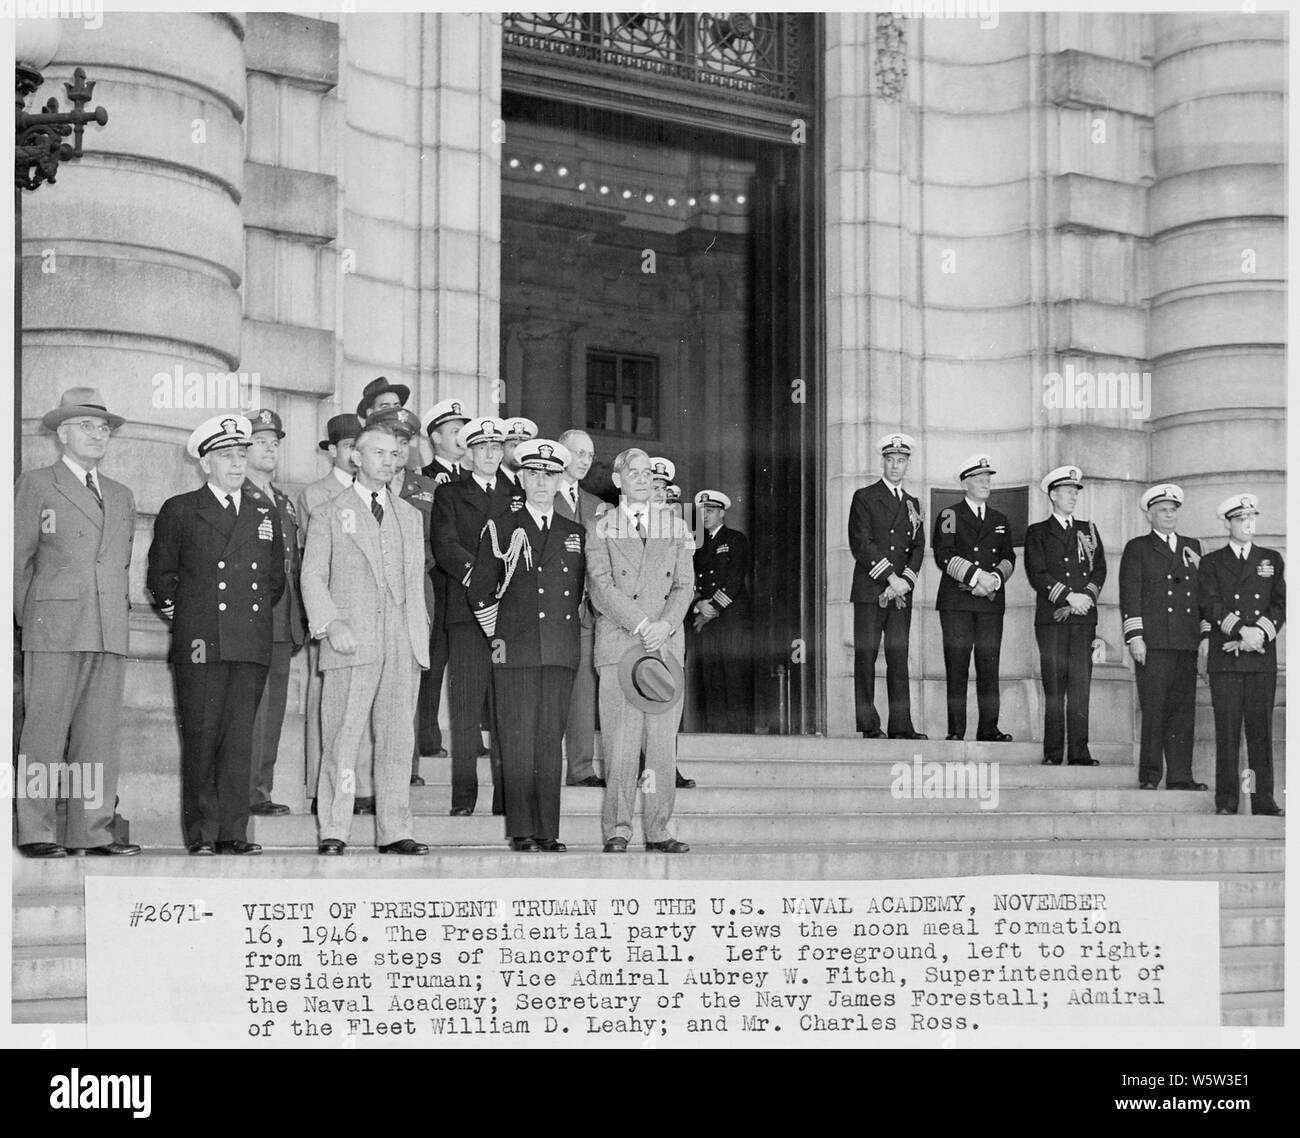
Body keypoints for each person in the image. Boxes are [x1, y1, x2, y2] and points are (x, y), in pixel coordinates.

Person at [146, 415, 286, 855]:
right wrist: (191, 620)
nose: (237, 464)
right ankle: (203, 834)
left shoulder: (264, 510)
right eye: (227, 456)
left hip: (248, 641)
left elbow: (275, 579)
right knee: (203, 738)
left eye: (241, 455)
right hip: (202, 640)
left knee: (239, 741)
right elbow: (161, 578)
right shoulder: (181, 509)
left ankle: (234, 832)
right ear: (206, 463)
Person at [14, 388, 141, 858]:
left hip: (108, 627)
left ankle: (92, 831)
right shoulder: (38, 484)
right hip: (54, 626)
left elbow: (120, 564)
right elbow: (15, 560)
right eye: (86, 425)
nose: (97, 434)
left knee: (99, 737)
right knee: (44, 733)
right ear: (62, 433)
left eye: (103, 427)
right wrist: (33, 617)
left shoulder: (122, 494)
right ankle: (37, 831)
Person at [300, 422, 430, 855]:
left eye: (395, 454)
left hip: (402, 642)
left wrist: (419, 635)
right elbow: (312, 576)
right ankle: (335, 828)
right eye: (380, 453)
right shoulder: (329, 510)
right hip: (351, 640)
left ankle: (395, 830)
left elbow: (414, 583)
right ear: (355, 457)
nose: (390, 462)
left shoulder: (409, 516)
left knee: (397, 740)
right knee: (342, 738)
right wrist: (330, 623)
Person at [469, 439, 585, 851]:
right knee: (517, 740)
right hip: (514, 649)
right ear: (521, 477)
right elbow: (481, 591)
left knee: (549, 743)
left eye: (549, 475)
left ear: (559, 481)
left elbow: (583, 594)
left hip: (558, 650)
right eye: (533, 474)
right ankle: (521, 830)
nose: (540, 482)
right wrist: (497, 637)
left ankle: (547, 830)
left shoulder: (576, 533)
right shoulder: (500, 525)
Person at [586, 448, 695, 853]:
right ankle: (617, 828)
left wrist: (665, 625)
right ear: (617, 480)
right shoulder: (601, 527)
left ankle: (659, 829)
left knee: (662, 746)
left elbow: (685, 585)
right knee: (620, 744)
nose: (643, 478)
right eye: (634, 472)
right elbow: (601, 587)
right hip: (621, 643)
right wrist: (642, 624)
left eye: (649, 472)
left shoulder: (678, 526)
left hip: (664, 646)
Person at [432, 415, 514, 815]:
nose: (489, 454)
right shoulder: (449, 494)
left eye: (496, 448)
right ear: (468, 451)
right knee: (464, 711)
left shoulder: (516, 495)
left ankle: (504, 801)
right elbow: (445, 545)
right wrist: (480, 577)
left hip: (508, 619)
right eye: (482, 448)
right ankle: (464, 799)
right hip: (466, 613)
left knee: (505, 710)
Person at [297, 414, 373, 813]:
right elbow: (314, 564)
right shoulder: (316, 495)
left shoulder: (375, 493)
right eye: (347, 446)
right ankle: (319, 788)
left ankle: (358, 788)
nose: (353, 454)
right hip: (334, 614)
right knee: (326, 704)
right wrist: (327, 618)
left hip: (370, 616)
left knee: (362, 706)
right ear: (332, 451)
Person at [1119, 483, 1208, 791]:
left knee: (1183, 713)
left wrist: (1204, 638)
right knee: (1154, 710)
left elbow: (1203, 596)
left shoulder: (1192, 546)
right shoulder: (1138, 547)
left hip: (1185, 642)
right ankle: (1150, 775)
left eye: (1173, 510)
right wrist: (1135, 637)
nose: (1169, 515)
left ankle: (1181, 776)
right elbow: (1130, 594)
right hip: (1154, 643)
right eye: (1162, 511)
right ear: (1150, 515)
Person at [1199, 493, 1284, 816]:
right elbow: (1210, 603)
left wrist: (1257, 633)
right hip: (1227, 659)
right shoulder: (1211, 563)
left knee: (1261, 732)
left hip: (1260, 658)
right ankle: (1227, 801)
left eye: (1251, 518)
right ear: (1227, 523)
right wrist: (1240, 631)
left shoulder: (1271, 559)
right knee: (1228, 732)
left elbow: (1280, 603)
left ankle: (1264, 800)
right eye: (1240, 519)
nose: (1248, 524)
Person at [367, 405, 438, 786]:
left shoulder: (427, 490)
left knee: (406, 683)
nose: (398, 448)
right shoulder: (358, 489)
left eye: (405, 441)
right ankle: (365, 778)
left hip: (413, 593)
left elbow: (437, 545)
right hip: (368, 597)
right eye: (391, 439)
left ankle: (405, 769)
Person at [244, 409, 307, 815]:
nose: (270, 448)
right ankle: (247, 791)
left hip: (283, 617)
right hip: (253, 617)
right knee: (253, 707)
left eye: (275, 442)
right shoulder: (240, 495)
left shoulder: (282, 499)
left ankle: (261, 789)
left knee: (275, 708)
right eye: (261, 441)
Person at [1023, 465, 1107, 766]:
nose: (1073, 496)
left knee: (1080, 687)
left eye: (1075, 492)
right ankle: (1053, 752)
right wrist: (1068, 596)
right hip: (1053, 619)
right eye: (1068, 491)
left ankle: (1080, 752)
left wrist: (1086, 596)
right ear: (1053, 494)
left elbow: (1099, 569)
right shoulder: (1038, 532)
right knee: (1055, 687)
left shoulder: (1089, 530)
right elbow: (1037, 572)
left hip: (1084, 618)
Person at [848, 432, 927, 740]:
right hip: (871, 590)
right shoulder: (864, 496)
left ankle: (901, 725)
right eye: (891, 460)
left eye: (902, 461)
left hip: (900, 595)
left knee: (898, 656)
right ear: (883, 462)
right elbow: (861, 543)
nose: (896, 466)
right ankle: (869, 724)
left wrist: (904, 581)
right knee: (866, 656)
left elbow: (918, 546)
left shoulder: (912, 502)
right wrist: (890, 578)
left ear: (907, 465)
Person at [932, 453, 1015, 742]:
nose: (986, 483)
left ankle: (989, 729)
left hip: (990, 602)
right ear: (965, 483)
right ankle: (956, 731)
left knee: (989, 666)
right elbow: (945, 555)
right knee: (957, 666)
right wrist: (976, 577)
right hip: (957, 602)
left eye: (988, 478)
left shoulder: (1000, 519)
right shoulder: (950, 515)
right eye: (979, 479)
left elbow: (1008, 557)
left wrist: (993, 581)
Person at [418, 397, 472, 757]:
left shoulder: (474, 480)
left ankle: (470, 739)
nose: (460, 437)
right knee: (433, 661)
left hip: (469, 583)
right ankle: (427, 737)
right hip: (438, 579)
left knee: (469, 661)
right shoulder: (419, 479)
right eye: (454, 431)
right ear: (435, 437)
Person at [554, 428, 606, 787]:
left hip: (585, 613)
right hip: (546, 612)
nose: (585, 461)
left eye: (590, 455)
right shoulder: (538, 495)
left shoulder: (598, 507)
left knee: (583, 693)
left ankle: (581, 768)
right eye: (579, 453)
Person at [691, 489, 753, 733]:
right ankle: (714, 732)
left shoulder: (735, 540)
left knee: (734, 675)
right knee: (711, 675)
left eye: (711, 511)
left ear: (722, 513)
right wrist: (698, 604)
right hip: (706, 618)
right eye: (702, 511)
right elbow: (691, 580)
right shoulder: (697, 545)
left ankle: (738, 733)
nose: (705, 515)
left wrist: (712, 608)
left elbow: (735, 578)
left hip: (732, 618)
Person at [498, 416, 537, 497]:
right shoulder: (491, 479)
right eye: (514, 446)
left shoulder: (536, 480)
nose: (519, 452)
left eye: (523, 447)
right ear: (502, 448)